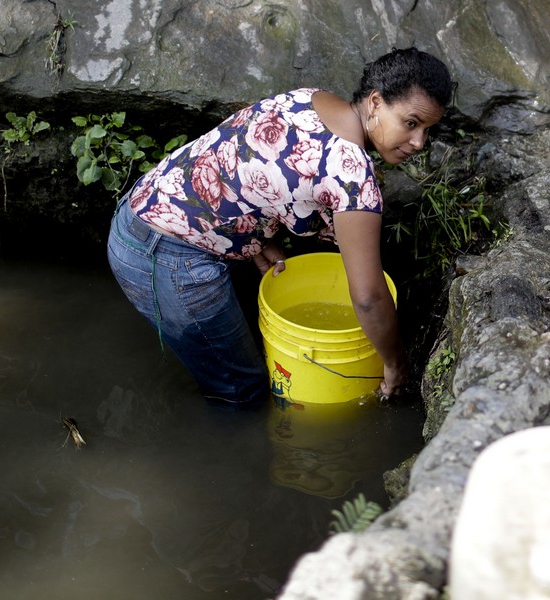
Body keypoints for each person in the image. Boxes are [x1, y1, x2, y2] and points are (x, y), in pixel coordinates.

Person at [106, 47, 454, 407]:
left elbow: (247, 158)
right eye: (411, 123)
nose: (419, 143)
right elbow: (368, 297)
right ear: (376, 102)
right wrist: (396, 364)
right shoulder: (354, 179)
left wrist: (255, 237)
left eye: (428, 129)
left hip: (139, 210)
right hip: (166, 258)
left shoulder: (311, 99)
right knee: (241, 392)